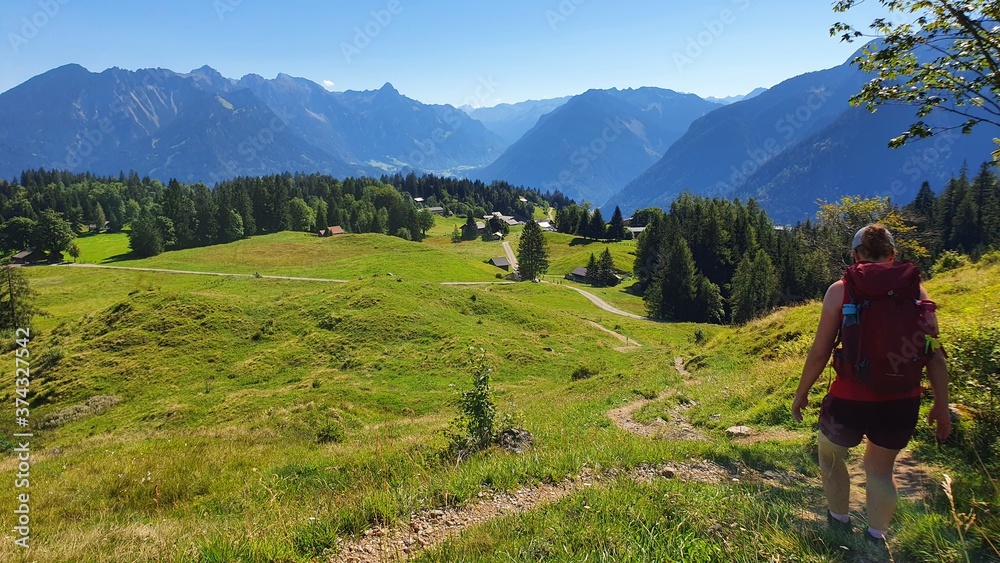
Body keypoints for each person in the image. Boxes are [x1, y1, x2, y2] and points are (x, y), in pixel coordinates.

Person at [791, 224, 952, 545]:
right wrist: (941, 405)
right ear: (893, 255)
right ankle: (876, 538)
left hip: (849, 398)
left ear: (856, 255)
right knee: (880, 470)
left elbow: (821, 349)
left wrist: (802, 392)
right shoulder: (917, 293)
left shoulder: (841, 290)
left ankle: (838, 521)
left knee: (831, 455)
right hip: (901, 400)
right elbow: (933, 354)